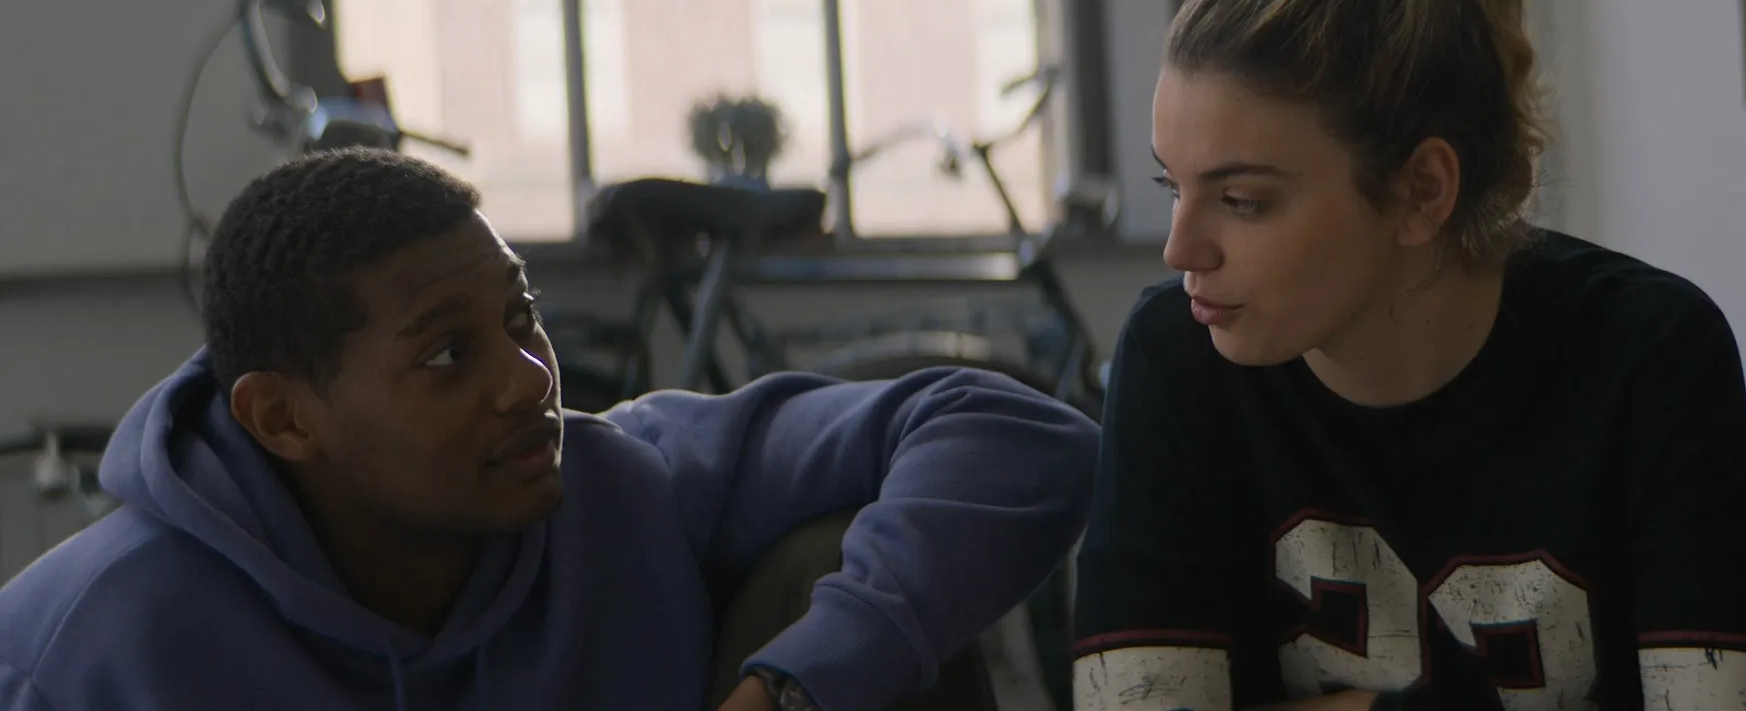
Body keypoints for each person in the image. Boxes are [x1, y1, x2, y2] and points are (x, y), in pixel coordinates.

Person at [0, 148, 1099, 711]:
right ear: (283, 417)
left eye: (522, 320)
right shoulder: (88, 649)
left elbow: (1010, 431)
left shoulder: (624, 478)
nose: (527, 380)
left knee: (823, 559)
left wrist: (803, 683)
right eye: (447, 354)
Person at [1070, 0, 1746, 709]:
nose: (1180, 250)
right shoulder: (1176, 356)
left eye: (1242, 200)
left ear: (1421, 191)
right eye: (1172, 186)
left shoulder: (1649, 354)